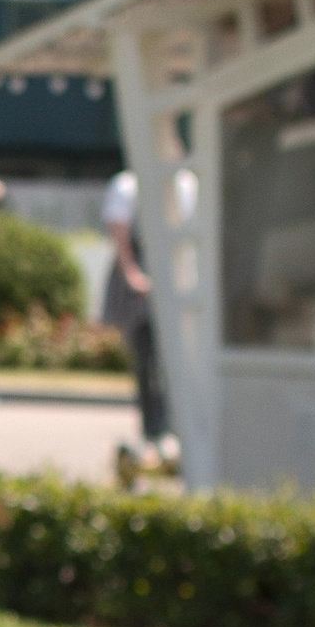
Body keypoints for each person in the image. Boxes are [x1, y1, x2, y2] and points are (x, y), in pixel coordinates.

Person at [101, 167, 179, 469]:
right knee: (146, 358)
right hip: (143, 277)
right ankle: (154, 429)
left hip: (175, 273)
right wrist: (133, 274)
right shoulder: (127, 184)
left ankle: (173, 427)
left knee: (174, 360)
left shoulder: (184, 181)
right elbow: (120, 234)